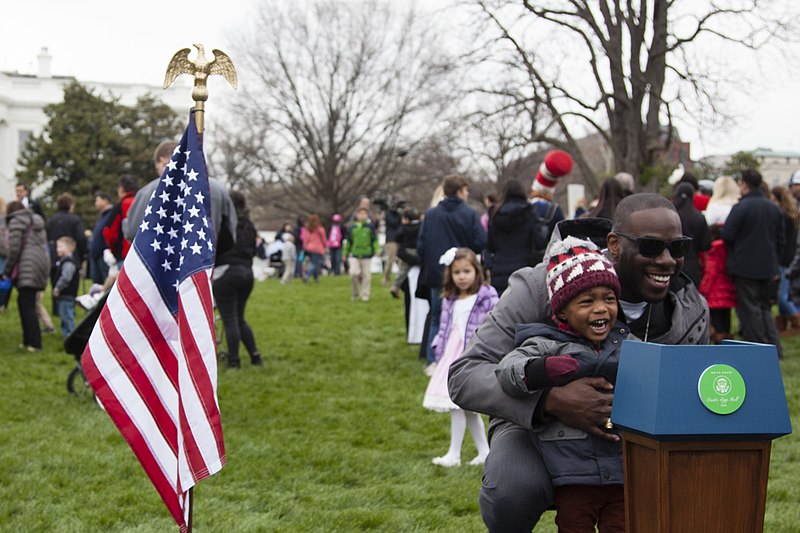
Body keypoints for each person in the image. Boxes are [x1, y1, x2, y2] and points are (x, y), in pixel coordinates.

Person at [448, 193, 710, 532]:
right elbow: (465, 374)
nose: (667, 261)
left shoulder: (689, 309)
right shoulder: (542, 286)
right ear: (614, 244)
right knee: (512, 489)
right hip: (540, 428)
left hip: (638, 439)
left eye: (678, 248)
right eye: (649, 247)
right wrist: (549, 400)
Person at [496, 236, 627, 533]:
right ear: (562, 311)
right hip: (573, 471)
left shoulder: (625, 342)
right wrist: (542, 371)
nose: (601, 309)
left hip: (622, 469)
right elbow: (507, 369)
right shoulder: (547, 343)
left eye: (609, 298)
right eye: (587, 302)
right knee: (573, 525)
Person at [423, 247, 497, 467]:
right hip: (452, 356)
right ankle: (484, 452)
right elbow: (445, 328)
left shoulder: (486, 296)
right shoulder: (450, 299)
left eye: (466, 271)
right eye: (457, 273)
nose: (462, 277)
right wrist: (438, 349)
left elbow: (494, 325)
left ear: (476, 270)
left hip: (472, 356)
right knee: (461, 406)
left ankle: (455, 455)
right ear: (450, 275)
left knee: (461, 405)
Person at [417, 175, 487, 368]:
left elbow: (421, 245)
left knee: (437, 317)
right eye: (466, 190)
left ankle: (434, 361)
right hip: (463, 272)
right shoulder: (469, 214)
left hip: (436, 273)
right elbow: (482, 241)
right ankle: (461, 357)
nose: (467, 194)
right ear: (459, 191)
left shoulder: (431, 215)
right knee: (462, 318)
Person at [123, 140, 237, 255]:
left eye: (157, 169)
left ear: (162, 162)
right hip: (205, 262)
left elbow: (132, 232)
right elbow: (230, 234)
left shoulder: (148, 192)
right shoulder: (218, 189)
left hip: (162, 265)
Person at [721, 169, 784, 358]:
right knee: (765, 308)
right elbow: (781, 240)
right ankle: (774, 347)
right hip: (767, 267)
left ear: (744, 184)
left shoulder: (741, 208)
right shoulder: (773, 208)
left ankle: (759, 349)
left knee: (751, 309)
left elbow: (727, 234)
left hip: (744, 266)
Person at [213, 191, 263, 369]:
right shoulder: (249, 225)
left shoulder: (225, 223)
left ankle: (234, 360)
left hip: (227, 271)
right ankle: (255, 356)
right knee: (239, 318)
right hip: (247, 273)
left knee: (230, 319)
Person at [2, 201, 50, 351]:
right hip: (40, 262)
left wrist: (6, 271)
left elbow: (14, 249)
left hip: (27, 264)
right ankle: (28, 340)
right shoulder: (36, 220)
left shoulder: (16, 221)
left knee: (27, 304)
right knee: (26, 301)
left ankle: (35, 343)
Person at [487, 178, 539, 295]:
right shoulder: (530, 211)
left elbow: (490, 245)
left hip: (499, 269)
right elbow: (537, 240)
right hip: (524, 268)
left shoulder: (494, 213)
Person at [698, 225, 737, 344]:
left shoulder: (713, 251)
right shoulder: (728, 250)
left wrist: (702, 290)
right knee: (726, 323)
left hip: (714, 295)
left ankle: (720, 345)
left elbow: (711, 273)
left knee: (717, 324)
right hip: (727, 293)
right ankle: (728, 343)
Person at [772, 185, 800, 335]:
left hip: (784, 259)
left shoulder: (782, 215)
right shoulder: (793, 214)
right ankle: (783, 322)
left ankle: (796, 321)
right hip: (791, 256)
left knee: (783, 296)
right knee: (786, 293)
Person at [672, 182, 711, 286]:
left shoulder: (671, 216)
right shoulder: (699, 217)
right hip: (693, 267)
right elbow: (706, 244)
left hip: (672, 265)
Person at [343, 207, 380, 302]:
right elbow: (349, 242)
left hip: (367, 254)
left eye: (364, 214)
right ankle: (355, 293)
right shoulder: (352, 227)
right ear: (357, 215)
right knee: (353, 273)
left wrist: (377, 249)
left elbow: (374, 240)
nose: (362, 216)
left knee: (367, 276)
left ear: (367, 216)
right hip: (355, 254)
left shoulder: (370, 227)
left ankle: (365, 295)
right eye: (360, 213)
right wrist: (345, 253)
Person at [104, 174, 138, 266]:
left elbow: (110, 233)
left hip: (123, 255)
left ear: (121, 189)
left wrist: (113, 250)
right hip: (142, 254)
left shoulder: (120, 206)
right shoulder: (143, 202)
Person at [51, 236, 80, 338]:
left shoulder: (68, 262)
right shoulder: (64, 261)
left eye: (60, 246)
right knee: (64, 316)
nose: (57, 249)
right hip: (64, 295)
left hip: (67, 294)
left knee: (67, 316)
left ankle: (71, 336)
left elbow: (66, 277)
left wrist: (58, 287)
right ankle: (66, 336)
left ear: (70, 248)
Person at [88, 191, 114, 284]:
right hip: (97, 255)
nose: (95, 203)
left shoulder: (111, 214)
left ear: (105, 200)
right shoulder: (102, 216)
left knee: (106, 282)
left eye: (97, 200)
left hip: (105, 255)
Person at [301, 214, 328, 283]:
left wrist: (305, 246)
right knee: (315, 264)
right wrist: (325, 246)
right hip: (318, 248)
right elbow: (323, 239)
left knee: (314, 263)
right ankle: (307, 275)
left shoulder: (308, 229)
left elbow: (306, 239)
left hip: (309, 248)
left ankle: (316, 279)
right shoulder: (320, 229)